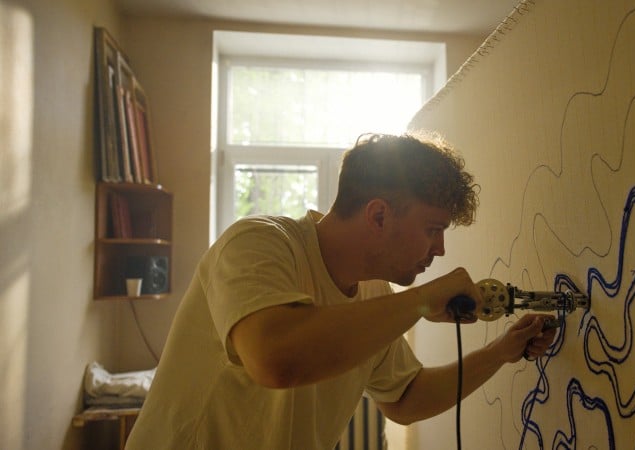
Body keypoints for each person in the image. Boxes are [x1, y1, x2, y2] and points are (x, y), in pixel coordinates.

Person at [125, 132, 558, 449]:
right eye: (433, 230)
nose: (440, 250)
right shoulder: (257, 243)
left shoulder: (374, 295)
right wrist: (422, 300)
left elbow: (406, 397)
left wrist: (503, 351)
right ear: (379, 216)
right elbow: (276, 359)